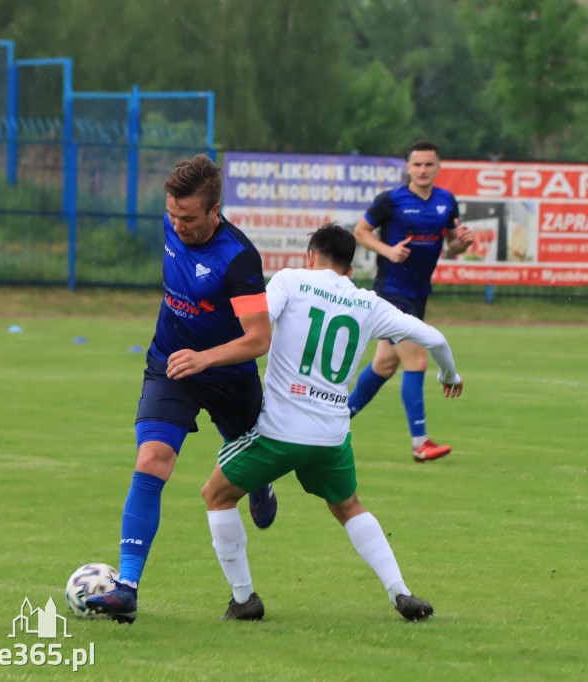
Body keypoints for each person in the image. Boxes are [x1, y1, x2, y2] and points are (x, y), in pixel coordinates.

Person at [202, 222, 464, 622]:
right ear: (349, 266)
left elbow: (255, 325)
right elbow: (435, 338)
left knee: (217, 495)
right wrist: (449, 375)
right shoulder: (368, 303)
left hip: (277, 431)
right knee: (348, 507)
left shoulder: (290, 281)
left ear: (311, 256)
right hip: (330, 436)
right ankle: (401, 592)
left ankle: (244, 599)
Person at [87, 154, 277, 625]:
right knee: (152, 459)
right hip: (169, 365)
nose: (178, 224)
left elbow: (259, 339)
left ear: (215, 211)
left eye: (188, 218)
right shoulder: (173, 220)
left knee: (245, 464)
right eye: (172, 215)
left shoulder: (239, 258)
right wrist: (188, 359)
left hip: (230, 378)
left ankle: (257, 478)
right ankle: (126, 587)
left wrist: (207, 358)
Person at [347, 140, 474, 462]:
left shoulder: (447, 201)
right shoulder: (391, 200)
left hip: (419, 294)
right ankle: (420, 442)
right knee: (416, 361)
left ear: (438, 166)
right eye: (416, 164)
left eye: (428, 164)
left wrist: (461, 244)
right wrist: (388, 251)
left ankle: (331, 424)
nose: (422, 170)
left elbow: (452, 247)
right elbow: (361, 232)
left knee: (384, 365)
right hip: (391, 292)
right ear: (408, 167)